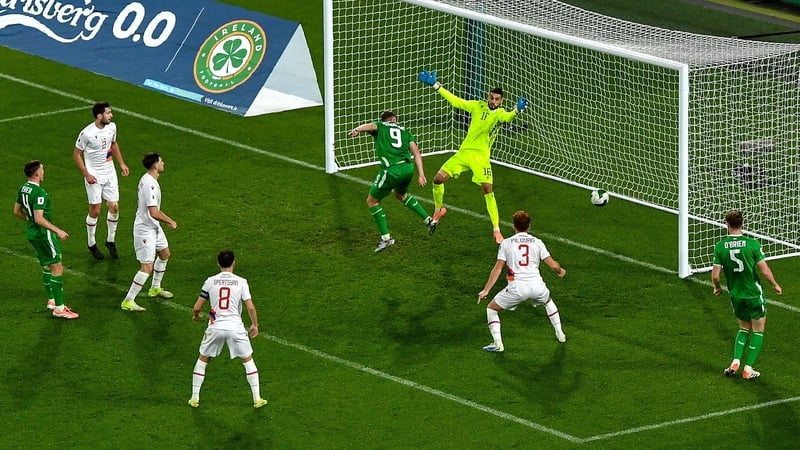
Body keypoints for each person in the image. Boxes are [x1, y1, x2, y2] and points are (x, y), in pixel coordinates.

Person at [418, 70, 528, 244]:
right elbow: (456, 101)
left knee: (487, 189)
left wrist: (516, 110)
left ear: (501, 101)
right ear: (488, 97)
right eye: (491, 98)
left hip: (481, 158)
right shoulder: (478, 105)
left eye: (497, 99)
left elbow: (508, 118)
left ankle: (496, 230)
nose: (493, 101)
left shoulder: (500, 113)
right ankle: (438, 210)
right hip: (464, 153)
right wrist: (436, 86)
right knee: (438, 179)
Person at [477, 210, 566, 352]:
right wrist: (560, 271)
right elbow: (554, 266)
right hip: (537, 286)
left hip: (517, 288)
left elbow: (498, 268)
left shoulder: (506, 243)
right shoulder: (537, 242)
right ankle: (560, 333)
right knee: (548, 301)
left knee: (491, 309)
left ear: (514, 226)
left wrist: (486, 290)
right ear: (529, 226)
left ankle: (498, 344)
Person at [349, 110, 437, 252]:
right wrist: (421, 174)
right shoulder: (406, 132)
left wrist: (357, 129)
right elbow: (416, 153)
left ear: (383, 120)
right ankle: (429, 220)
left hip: (392, 170)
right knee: (401, 195)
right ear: (395, 119)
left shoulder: (381, 126)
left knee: (372, 201)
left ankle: (386, 239)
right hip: (407, 169)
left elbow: (371, 126)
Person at [188, 250, 267, 409]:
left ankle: (194, 398)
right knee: (247, 360)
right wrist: (255, 325)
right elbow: (250, 307)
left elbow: (197, 307)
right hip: (235, 327)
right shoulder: (241, 282)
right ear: (234, 263)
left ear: (218, 263)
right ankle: (257, 398)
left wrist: (196, 316)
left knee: (203, 359)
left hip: (215, 326)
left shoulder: (210, 281)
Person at [712, 209, 782, 380]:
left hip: (736, 295)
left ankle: (735, 361)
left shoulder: (720, 247)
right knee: (758, 330)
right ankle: (748, 369)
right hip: (753, 294)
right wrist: (775, 284)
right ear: (742, 223)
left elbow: (715, 276)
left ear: (727, 224)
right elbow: (764, 271)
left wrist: (717, 287)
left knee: (743, 328)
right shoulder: (752, 244)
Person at [13, 160, 79, 319]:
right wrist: (58, 231)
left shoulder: (23, 188)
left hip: (32, 233)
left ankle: (51, 300)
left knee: (47, 265)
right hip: (44, 234)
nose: (44, 172)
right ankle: (59, 308)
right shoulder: (39, 193)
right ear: (36, 173)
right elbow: (39, 218)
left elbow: (16, 211)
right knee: (57, 267)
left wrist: (30, 220)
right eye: (42, 169)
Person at [73, 101, 130, 260]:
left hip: (110, 173)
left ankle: (110, 241)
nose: (111, 115)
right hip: (94, 175)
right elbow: (76, 155)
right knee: (96, 210)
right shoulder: (87, 133)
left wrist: (122, 163)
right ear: (99, 116)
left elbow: (114, 144)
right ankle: (91, 243)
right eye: (108, 113)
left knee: (114, 207)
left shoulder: (112, 127)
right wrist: (86, 174)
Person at [120, 152, 176, 311]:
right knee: (146, 267)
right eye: (161, 161)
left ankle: (155, 288)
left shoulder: (148, 179)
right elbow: (154, 212)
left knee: (165, 254)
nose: (163, 163)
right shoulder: (149, 184)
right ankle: (128, 301)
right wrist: (170, 221)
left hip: (153, 226)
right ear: (155, 165)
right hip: (145, 230)